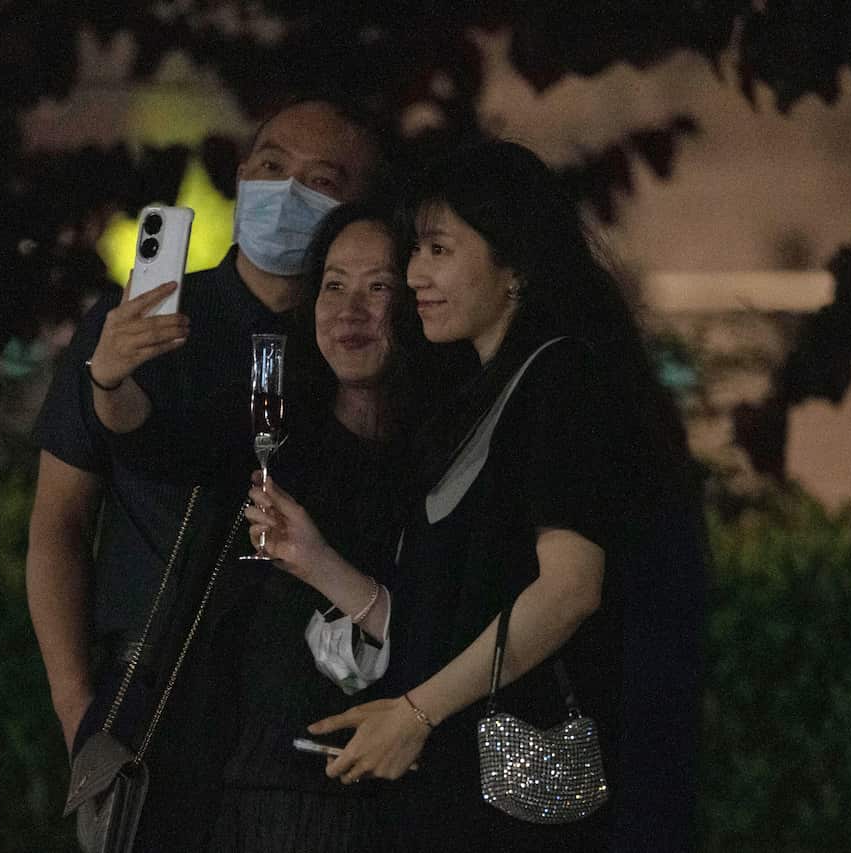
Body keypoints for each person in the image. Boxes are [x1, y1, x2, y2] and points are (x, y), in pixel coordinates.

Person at [248, 140, 705, 852]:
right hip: (459, 804)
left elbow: (569, 590)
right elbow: (452, 608)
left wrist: (415, 713)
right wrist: (318, 561)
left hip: (520, 809)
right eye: (416, 251)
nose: (415, 275)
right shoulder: (479, 400)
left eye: (438, 250)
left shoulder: (559, 381)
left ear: (515, 265)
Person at [25, 100, 383, 846]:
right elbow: (57, 521)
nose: (286, 192)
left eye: (320, 181)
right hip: (153, 699)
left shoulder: (355, 348)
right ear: (243, 174)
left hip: (303, 726)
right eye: (271, 166)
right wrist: (77, 710)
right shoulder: (139, 322)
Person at [93, 202, 439, 851]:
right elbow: (157, 442)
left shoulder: (441, 456)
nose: (350, 310)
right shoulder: (275, 431)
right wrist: (109, 376)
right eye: (333, 285)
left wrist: (319, 560)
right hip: (232, 786)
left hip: (374, 800)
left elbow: (448, 632)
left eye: (378, 286)